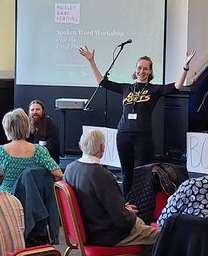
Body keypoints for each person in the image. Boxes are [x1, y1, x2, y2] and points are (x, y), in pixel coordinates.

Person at [78, 46, 195, 195]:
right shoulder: (127, 88)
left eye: (146, 69)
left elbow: (176, 87)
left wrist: (185, 67)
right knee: (126, 173)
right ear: (135, 70)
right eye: (139, 68)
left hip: (143, 136)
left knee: (143, 173)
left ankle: (142, 202)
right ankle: (126, 203)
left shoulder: (154, 90)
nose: (142, 71)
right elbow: (102, 82)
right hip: (123, 135)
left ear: (150, 71)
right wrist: (91, 61)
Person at [63, 128, 158, 248]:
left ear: (80, 146)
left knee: (142, 229)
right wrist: (126, 212)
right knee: (163, 235)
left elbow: (90, 203)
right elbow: (122, 220)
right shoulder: (102, 175)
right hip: (107, 234)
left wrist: (121, 208)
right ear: (102, 148)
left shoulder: (69, 169)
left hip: (86, 231)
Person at [0, 108, 61, 194]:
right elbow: (58, 174)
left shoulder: (0, 152)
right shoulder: (39, 151)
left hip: (6, 200)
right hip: (33, 199)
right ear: (27, 127)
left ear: (7, 128)